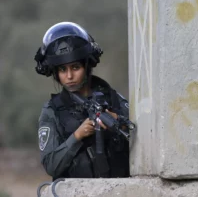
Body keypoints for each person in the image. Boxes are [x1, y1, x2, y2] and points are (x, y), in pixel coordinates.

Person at [34, 22, 130, 180]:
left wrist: (119, 122)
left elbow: (145, 139)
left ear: (86, 66)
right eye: (62, 70)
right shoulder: (52, 111)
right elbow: (51, 165)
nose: (69, 76)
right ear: (55, 72)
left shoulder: (113, 99)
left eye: (75, 67)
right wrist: (78, 136)